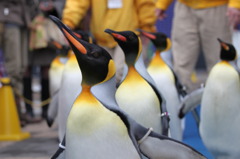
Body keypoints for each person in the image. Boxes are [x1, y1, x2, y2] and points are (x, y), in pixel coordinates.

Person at [62, 0, 157, 85]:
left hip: (127, 40)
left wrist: (146, 27)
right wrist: (69, 22)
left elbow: (145, 3)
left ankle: (123, 103)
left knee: (122, 72)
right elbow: (77, 3)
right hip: (102, 40)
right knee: (102, 77)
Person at [155, 0, 240, 93]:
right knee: (181, 65)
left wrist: (236, 4)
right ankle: (181, 102)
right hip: (184, 7)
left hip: (218, 7)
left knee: (220, 65)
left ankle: (221, 102)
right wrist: (162, 3)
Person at [0, 0, 33, 126]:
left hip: (21, 20)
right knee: (13, 68)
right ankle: (12, 113)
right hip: (7, 18)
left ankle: (16, 111)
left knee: (21, 68)